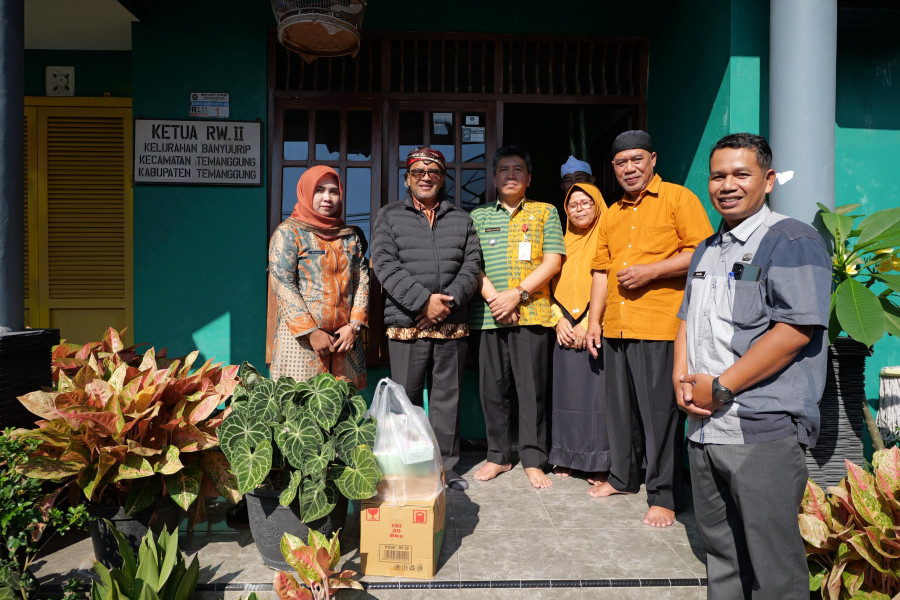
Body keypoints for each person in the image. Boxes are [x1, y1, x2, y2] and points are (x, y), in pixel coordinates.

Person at [674, 133, 830, 598]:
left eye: (741, 174)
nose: (728, 184)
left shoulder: (790, 239)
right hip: (703, 431)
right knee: (722, 559)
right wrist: (681, 384)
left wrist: (719, 387)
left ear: (768, 179)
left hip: (760, 430)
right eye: (718, 175)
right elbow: (685, 321)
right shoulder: (706, 249)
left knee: (773, 570)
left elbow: (794, 332)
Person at [586, 130, 712, 527]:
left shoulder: (678, 198)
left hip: (660, 325)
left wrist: (652, 271)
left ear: (653, 159)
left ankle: (665, 495)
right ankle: (624, 478)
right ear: (613, 168)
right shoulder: (612, 213)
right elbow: (601, 271)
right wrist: (594, 320)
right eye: (622, 163)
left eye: (637, 159)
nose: (630, 168)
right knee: (620, 412)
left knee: (661, 416)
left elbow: (702, 251)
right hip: (617, 327)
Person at [371, 147, 482, 491]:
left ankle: (445, 468)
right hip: (407, 324)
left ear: (442, 178)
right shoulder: (389, 216)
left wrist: (444, 304)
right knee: (406, 399)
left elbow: (472, 265)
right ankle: (407, 467)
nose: (425, 177)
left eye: (432, 172)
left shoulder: (461, 219)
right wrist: (422, 303)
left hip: (451, 323)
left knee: (447, 399)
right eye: (418, 172)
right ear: (407, 178)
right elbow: (384, 264)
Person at [470, 145, 565, 489]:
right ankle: (498, 456)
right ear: (494, 178)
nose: (510, 175)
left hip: (533, 314)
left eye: (518, 170)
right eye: (504, 170)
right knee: (492, 390)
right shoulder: (478, 217)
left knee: (532, 390)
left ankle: (534, 458)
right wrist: (498, 300)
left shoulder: (545, 212)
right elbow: (473, 265)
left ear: (529, 178)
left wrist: (518, 295)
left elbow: (553, 261)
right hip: (490, 315)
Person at [268, 165, 368, 390]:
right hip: (301, 345)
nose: (327, 198)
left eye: (334, 191)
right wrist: (311, 332)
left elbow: (361, 281)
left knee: (343, 412)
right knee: (300, 413)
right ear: (306, 192)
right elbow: (283, 283)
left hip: (345, 343)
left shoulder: (349, 236)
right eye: (319, 190)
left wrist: (353, 327)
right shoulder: (289, 233)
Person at [549, 183, 610, 483]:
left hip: (596, 328)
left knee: (597, 401)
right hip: (563, 327)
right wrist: (557, 319)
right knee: (566, 398)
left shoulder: (608, 239)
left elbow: (612, 281)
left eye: (586, 203)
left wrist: (588, 323)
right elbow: (546, 282)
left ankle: (598, 461)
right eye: (573, 205)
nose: (579, 209)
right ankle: (567, 456)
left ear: (598, 205)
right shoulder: (559, 243)